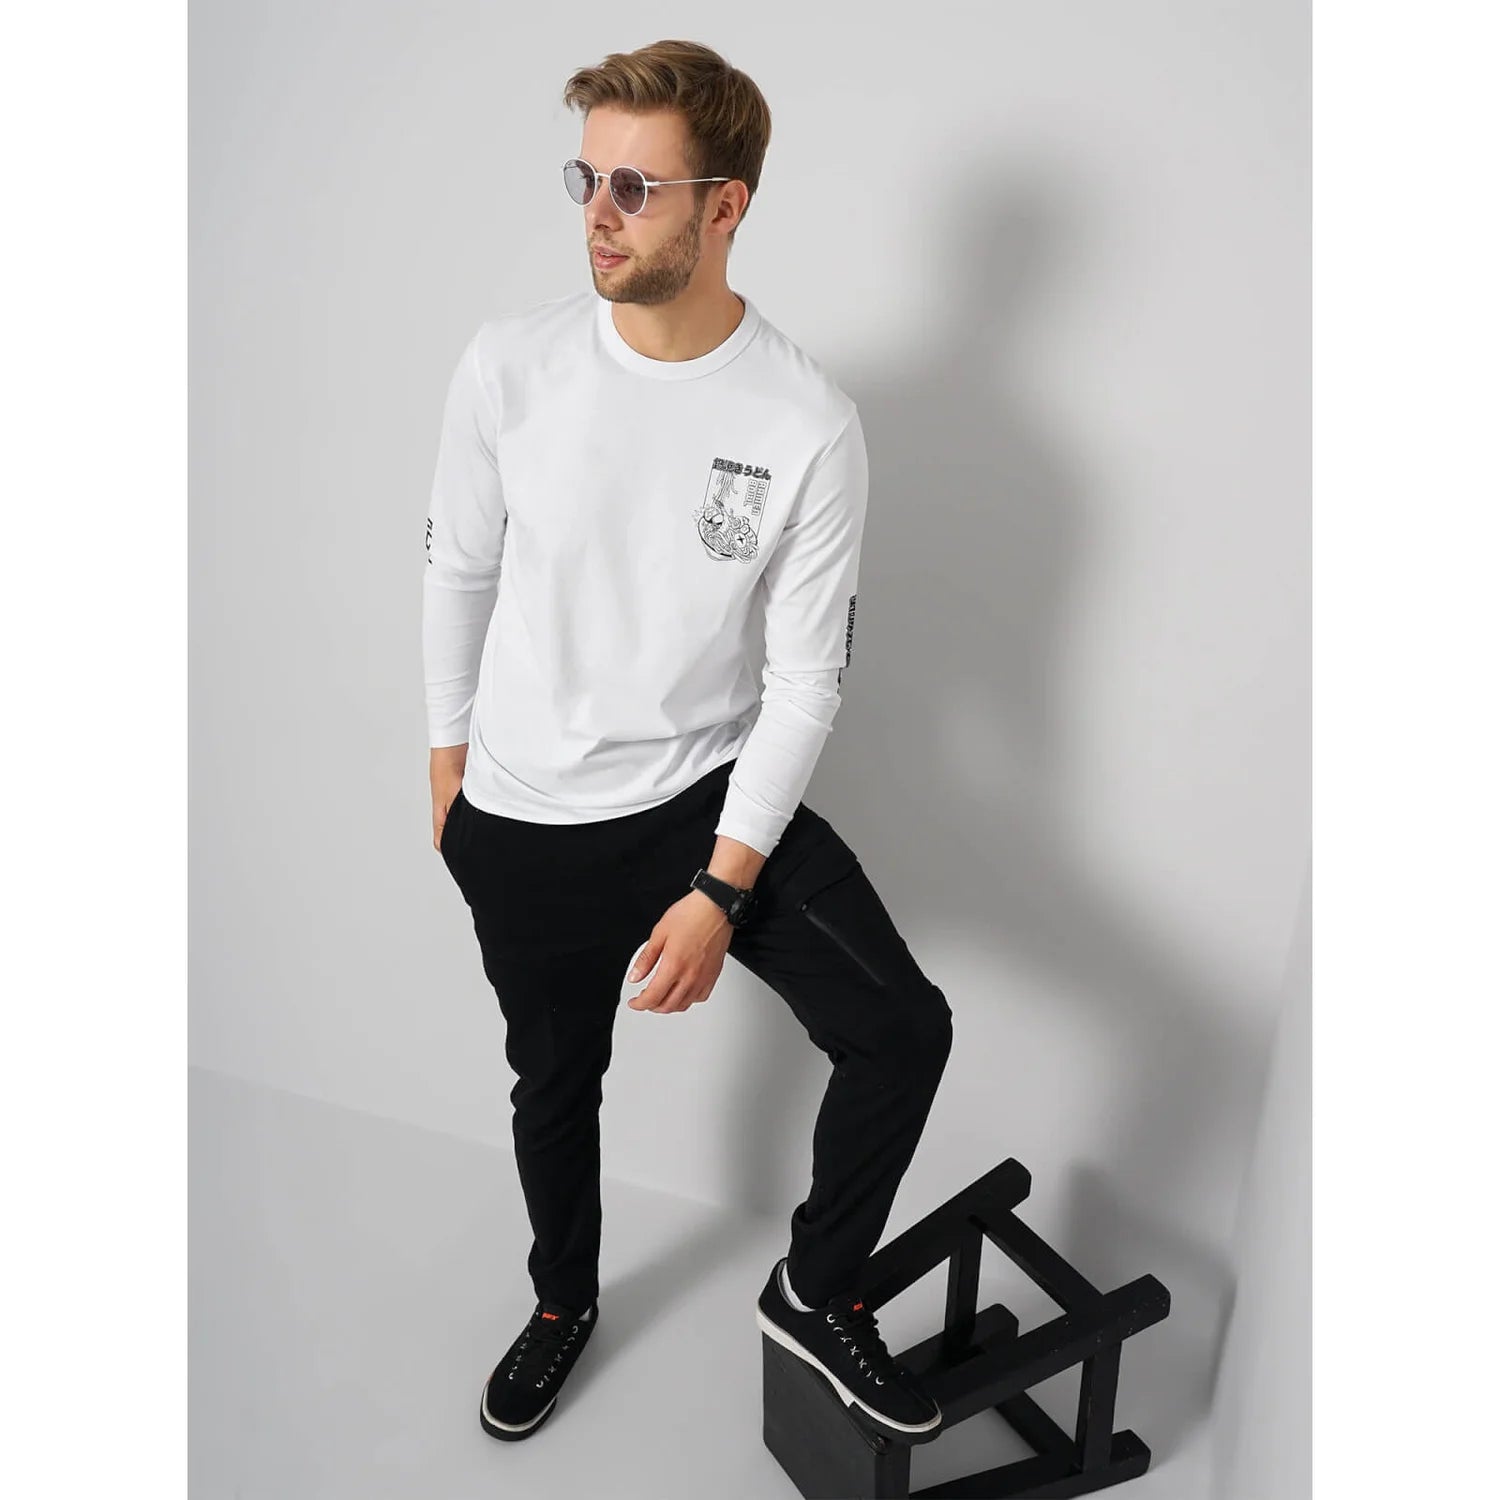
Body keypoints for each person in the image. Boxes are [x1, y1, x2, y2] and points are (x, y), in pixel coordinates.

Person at [422, 38, 953, 1446]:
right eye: (587, 178)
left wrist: (722, 888)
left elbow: (805, 682)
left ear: (727, 207)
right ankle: (562, 1304)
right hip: (523, 816)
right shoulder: (509, 367)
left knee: (901, 1030)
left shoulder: (806, 423)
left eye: (637, 188)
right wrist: (448, 768)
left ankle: (818, 1290)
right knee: (556, 1084)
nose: (599, 214)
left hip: (700, 799)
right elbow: (458, 569)